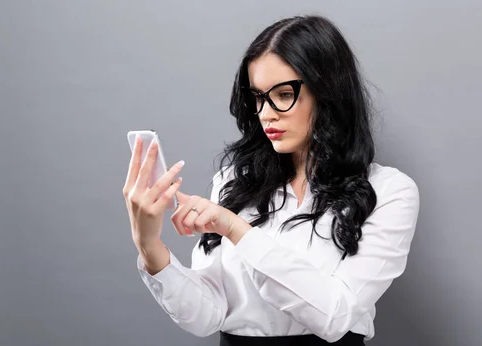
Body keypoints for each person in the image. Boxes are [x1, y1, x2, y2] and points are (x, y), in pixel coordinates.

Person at [122, 15, 420, 346]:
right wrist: (149, 246)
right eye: (258, 97)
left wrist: (235, 229)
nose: (266, 113)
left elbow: (335, 316)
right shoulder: (236, 182)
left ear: (328, 93)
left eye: (282, 95)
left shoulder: (390, 192)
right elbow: (207, 315)